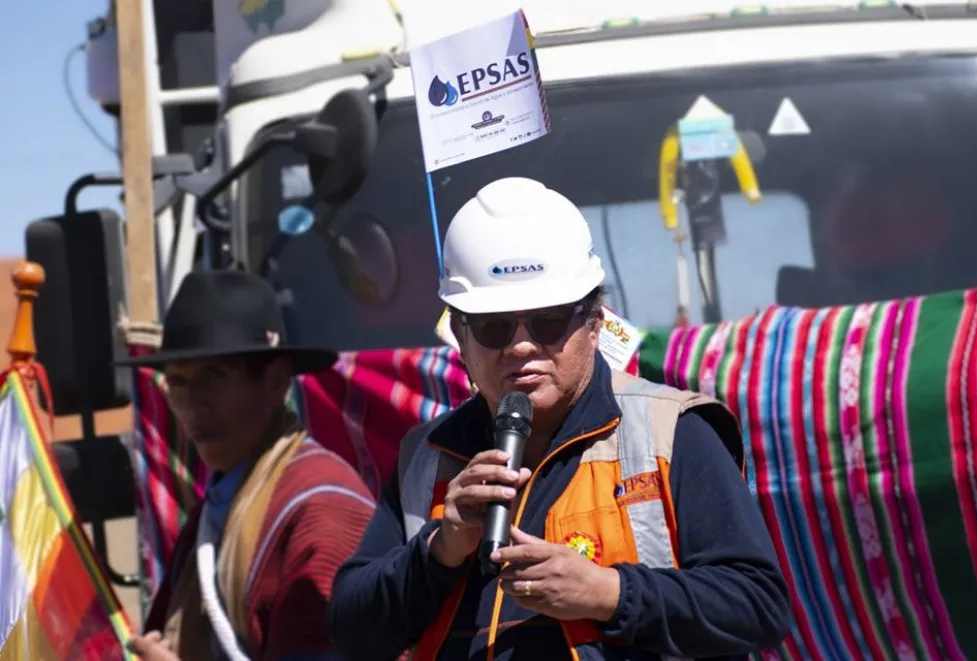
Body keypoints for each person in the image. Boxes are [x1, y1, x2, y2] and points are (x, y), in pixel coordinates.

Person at [327, 177, 792, 660]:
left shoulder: (672, 433)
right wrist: (440, 550)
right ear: (461, 336)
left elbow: (759, 607)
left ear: (593, 323)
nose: (521, 347)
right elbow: (349, 630)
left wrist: (610, 594)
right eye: (494, 326)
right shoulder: (426, 458)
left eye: (548, 321)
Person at [120, 270, 375, 661]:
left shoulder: (321, 512)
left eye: (211, 377)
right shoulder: (219, 508)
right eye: (177, 382)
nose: (191, 403)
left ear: (275, 381)